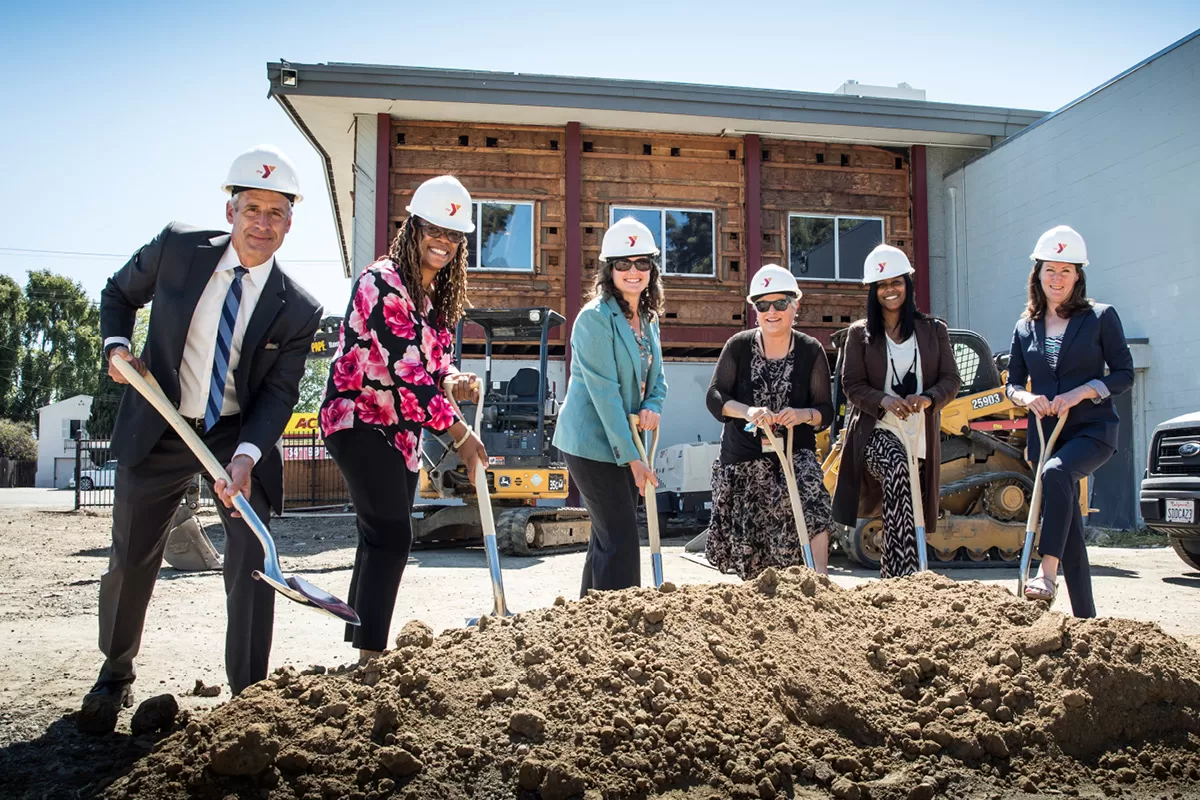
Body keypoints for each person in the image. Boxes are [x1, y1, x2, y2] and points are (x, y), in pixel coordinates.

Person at [83, 145, 323, 732]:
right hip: (161, 420)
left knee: (251, 553)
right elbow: (117, 294)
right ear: (230, 210)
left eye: (276, 213)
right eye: (252, 209)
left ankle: (248, 693)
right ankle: (115, 672)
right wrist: (116, 346)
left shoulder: (299, 308)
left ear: (290, 224)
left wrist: (246, 457)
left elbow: (279, 394)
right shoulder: (177, 249)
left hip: (234, 435)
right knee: (132, 555)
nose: (262, 223)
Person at [319, 175, 485, 662]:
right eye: (434, 229)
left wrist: (454, 378)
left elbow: (433, 365)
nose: (444, 241)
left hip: (402, 432)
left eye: (454, 234)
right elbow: (408, 373)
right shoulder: (382, 282)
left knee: (378, 534)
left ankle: (360, 644)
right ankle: (371, 657)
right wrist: (461, 435)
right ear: (413, 226)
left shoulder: (433, 298)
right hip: (359, 419)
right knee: (392, 533)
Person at [1006, 225, 1133, 616]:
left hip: (1093, 430)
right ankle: (1085, 620)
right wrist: (1028, 398)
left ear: (1078, 276)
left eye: (1066, 270)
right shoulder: (1025, 327)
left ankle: (1046, 574)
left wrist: (1082, 392)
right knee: (1070, 532)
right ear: (1038, 274)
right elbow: (1012, 384)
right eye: (1050, 269)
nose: (1057, 278)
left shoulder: (1100, 317)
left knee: (1057, 474)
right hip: (1047, 436)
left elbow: (1124, 374)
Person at [553, 217, 667, 595]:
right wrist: (634, 460)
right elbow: (606, 395)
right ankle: (621, 620)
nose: (633, 271)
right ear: (609, 270)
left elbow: (659, 379)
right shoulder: (594, 319)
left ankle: (589, 618)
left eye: (642, 263)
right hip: (590, 442)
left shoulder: (648, 320)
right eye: (623, 264)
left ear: (652, 269)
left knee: (608, 538)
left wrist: (652, 404)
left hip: (625, 437)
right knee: (621, 538)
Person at [832, 245, 961, 578]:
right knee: (896, 468)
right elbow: (851, 384)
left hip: (919, 434)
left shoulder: (934, 330)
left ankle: (907, 575)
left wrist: (929, 398)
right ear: (872, 290)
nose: (890, 290)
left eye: (896, 282)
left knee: (912, 497)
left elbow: (951, 379)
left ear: (908, 283)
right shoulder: (859, 334)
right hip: (876, 431)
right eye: (882, 284)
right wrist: (884, 400)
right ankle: (899, 573)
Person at [704, 265, 835, 578]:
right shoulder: (738, 346)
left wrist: (802, 415)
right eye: (763, 305)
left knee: (812, 494)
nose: (771, 312)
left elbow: (825, 410)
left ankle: (820, 579)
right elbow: (715, 396)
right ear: (755, 310)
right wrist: (748, 411)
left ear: (795, 305)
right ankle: (760, 589)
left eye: (780, 303)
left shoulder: (811, 350)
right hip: (745, 453)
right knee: (755, 524)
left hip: (794, 449)